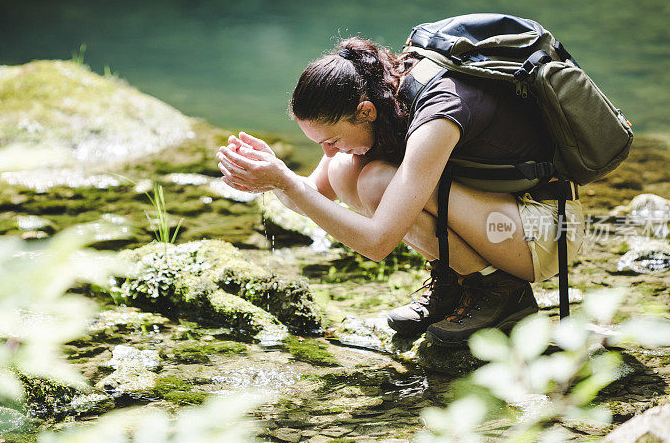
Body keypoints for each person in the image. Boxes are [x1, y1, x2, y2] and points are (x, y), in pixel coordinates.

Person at [215, 36, 585, 345]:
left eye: (331, 139)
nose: (326, 152)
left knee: (376, 181)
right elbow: (312, 192)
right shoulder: (381, 97)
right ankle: (457, 285)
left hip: (546, 233)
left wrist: (284, 180)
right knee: (348, 170)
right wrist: (265, 176)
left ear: (365, 112)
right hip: (502, 221)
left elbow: (377, 243)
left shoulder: (437, 116)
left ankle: (501, 292)